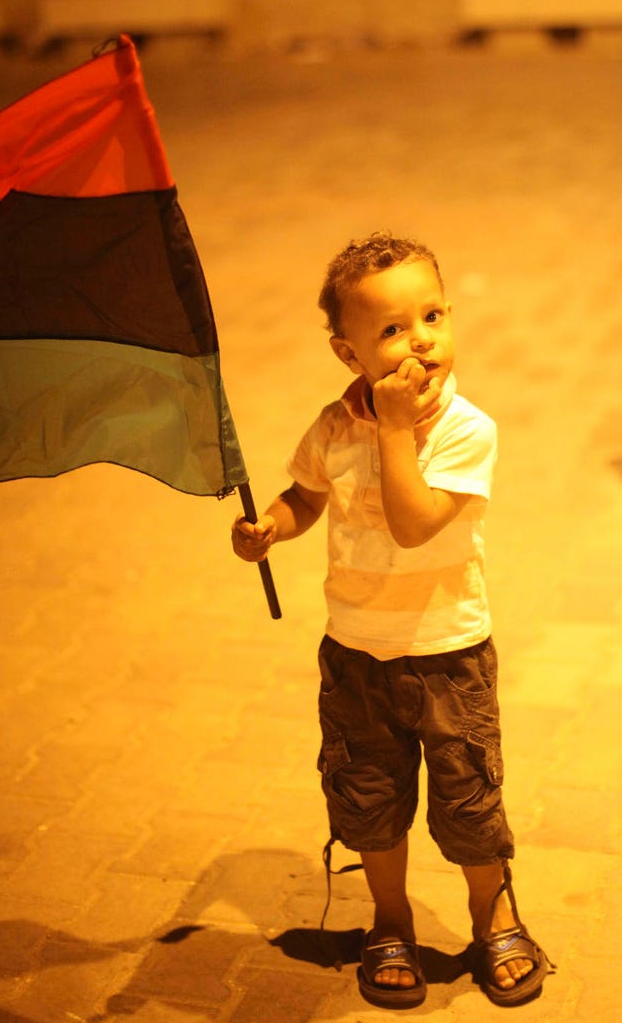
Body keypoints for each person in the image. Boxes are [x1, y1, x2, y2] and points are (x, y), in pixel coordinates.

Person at [231, 233, 553, 1008]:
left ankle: (491, 910)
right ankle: (390, 917)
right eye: (392, 330)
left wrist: (395, 426)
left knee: (469, 800)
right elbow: (308, 493)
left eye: (433, 316)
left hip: (448, 652)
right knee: (368, 798)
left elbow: (414, 525)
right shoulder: (335, 427)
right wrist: (272, 525)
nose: (421, 340)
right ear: (350, 353)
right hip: (357, 653)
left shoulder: (465, 429)